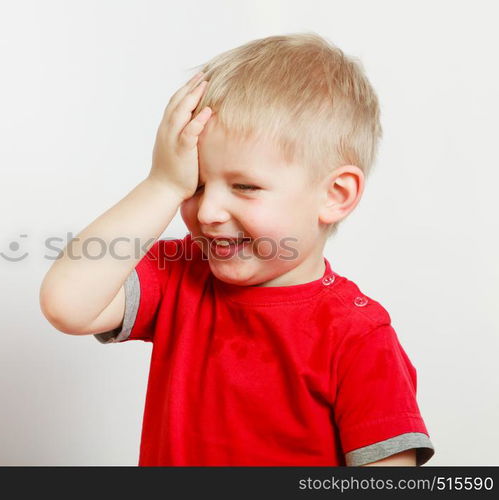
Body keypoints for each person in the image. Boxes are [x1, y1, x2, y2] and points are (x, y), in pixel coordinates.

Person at [39, 32, 435, 466]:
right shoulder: (179, 274)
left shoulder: (357, 336)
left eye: (245, 186)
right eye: (196, 185)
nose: (207, 211)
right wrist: (163, 183)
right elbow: (67, 304)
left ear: (335, 194)